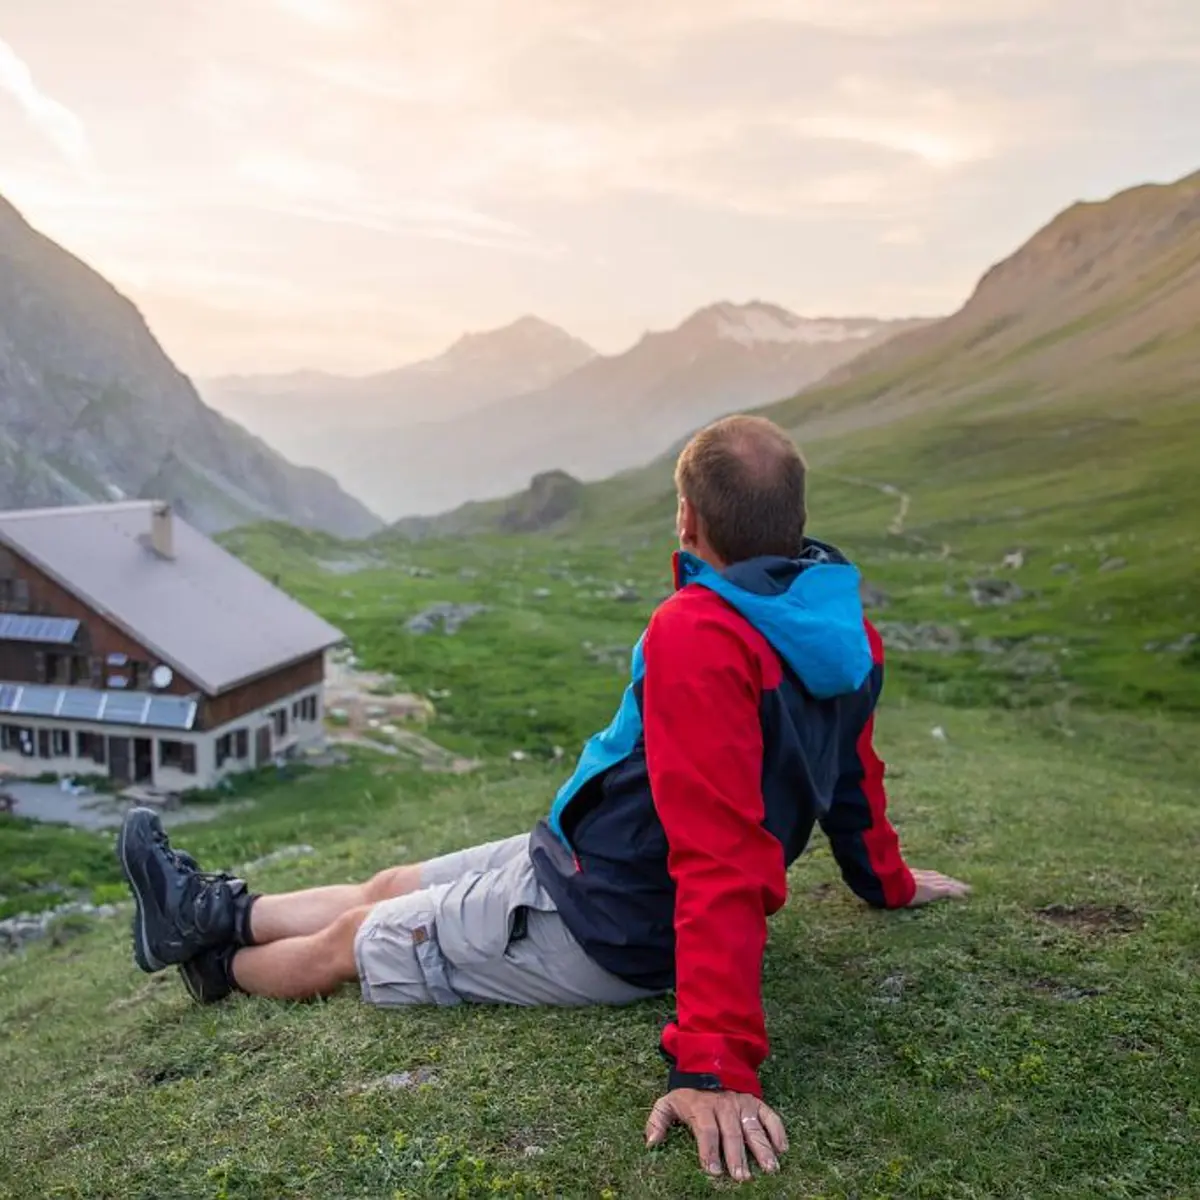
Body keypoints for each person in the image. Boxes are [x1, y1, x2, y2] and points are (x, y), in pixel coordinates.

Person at [118, 414, 969, 1184]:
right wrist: (884, 882)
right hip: (580, 861)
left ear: (687, 521)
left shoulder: (702, 634)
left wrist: (714, 1067)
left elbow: (720, 854)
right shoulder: (841, 626)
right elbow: (852, 777)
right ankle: (207, 908)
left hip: (610, 922)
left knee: (355, 937)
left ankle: (216, 965)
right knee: (388, 884)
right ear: (794, 519)